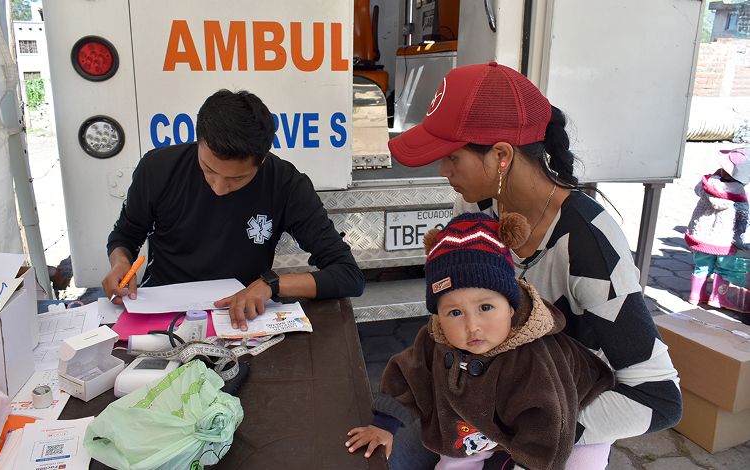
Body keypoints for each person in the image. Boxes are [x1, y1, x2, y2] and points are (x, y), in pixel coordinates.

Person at [386, 62, 682, 463]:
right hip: (486, 391)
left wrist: (523, 433)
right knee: (394, 455)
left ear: (501, 155)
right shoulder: (476, 206)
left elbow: (660, 398)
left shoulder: (588, 244)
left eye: (453, 157)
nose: (443, 170)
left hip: (563, 406)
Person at [344, 213, 615, 469]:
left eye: (486, 307)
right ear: (438, 315)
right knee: (456, 455)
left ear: (511, 308)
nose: (472, 326)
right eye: (455, 312)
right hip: (480, 421)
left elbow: (550, 422)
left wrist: (527, 463)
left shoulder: (535, 357)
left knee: (580, 463)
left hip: (567, 420)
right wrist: (385, 423)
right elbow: (409, 375)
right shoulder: (437, 339)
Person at [104, 89, 364, 328]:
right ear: (199, 141)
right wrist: (120, 263)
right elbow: (126, 236)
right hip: (161, 310)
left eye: (237, 178)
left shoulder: (285, 184)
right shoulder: (158, 169)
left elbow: (348, 275)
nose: (219, 187)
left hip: (238, 315)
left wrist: (271, 284)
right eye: (208, 169)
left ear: (262, 159)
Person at [685, 147, 750, 307]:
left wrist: (714, 176)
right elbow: (742, 217)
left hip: (701, 236)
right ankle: (717, 297)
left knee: (701, 265)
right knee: (723, 268)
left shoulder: (708, 184)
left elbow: (697, 189)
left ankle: (695, 295)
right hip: (723, 239)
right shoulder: (739, 192)